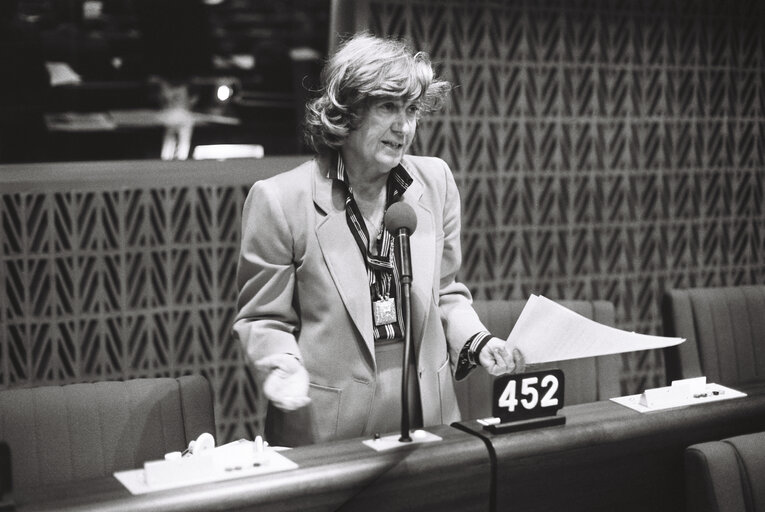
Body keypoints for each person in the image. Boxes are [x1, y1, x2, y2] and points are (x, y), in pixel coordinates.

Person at [234, 33, 525, 447]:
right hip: (328, 427)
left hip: (430, 414)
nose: (403, 126)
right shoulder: (280, 200)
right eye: (388, 106)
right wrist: (281, 367)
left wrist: (479, 342)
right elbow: (263, 319)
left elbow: (445, 292)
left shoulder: (436, 181)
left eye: (412, 109)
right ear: (347, 110)